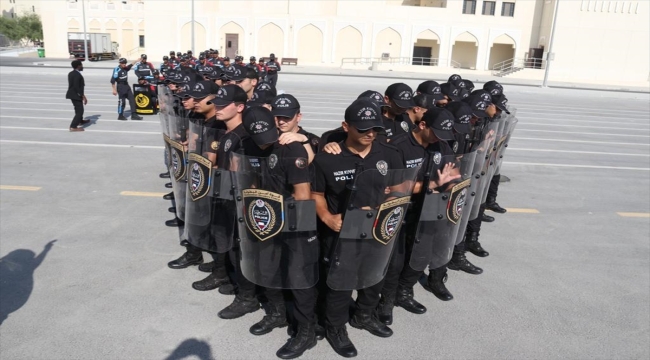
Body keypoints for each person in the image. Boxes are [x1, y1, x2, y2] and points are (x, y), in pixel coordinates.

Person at [312, 98, 406, 358]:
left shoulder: (389, 154)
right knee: (339, 285)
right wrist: (327, 217)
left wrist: (388, 204)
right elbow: (316, 194)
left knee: (374, 277)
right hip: (342, 234)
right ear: (346, 126)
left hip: (378, 230)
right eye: (363, 129)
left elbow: (400, 188)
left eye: (374, 128)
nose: (370, 134)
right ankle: (336, 327)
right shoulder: (326, 159)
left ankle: (364, 315)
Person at [237, 106, 319, 359]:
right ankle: (277, 314)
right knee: (267, 269)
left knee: (299, 276)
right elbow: (250, 181)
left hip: (293, 222)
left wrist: (282, 219)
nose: (266, 143)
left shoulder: (290, 148)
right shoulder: (246, 146)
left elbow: (303, 194)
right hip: (265, 221)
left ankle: (306, 331)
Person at [66, 60, 88, 132]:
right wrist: (82, 96)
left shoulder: (71, 73)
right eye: (81, 65)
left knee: (77, 109)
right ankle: (73, 126)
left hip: (73, 94)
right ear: (78, 66)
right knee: (80, 111)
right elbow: (76, 87)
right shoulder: (77, 75)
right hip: (75, 95)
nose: (82, 66)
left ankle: (80, 121)